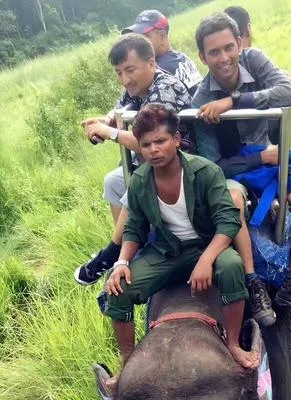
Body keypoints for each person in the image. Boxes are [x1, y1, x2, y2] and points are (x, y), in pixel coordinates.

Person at [192, 13, 291, 322]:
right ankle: (254, 283)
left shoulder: (253, 60)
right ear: (202, 57)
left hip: (268, 159)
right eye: (214, 52)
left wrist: (234, 101)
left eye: (229, 47)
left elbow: (287, 93)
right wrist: (261, 158)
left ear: (240, 42)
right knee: (233, 199)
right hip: (240, 168)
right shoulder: (200, 98)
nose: (224, 57)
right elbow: (215, 166)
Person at [104, 103, 258, 376]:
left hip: (206, 245)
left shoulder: (206, 171)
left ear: (176, 140)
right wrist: (122, 262)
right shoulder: (140, 181)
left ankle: (233, 343)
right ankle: (127, 360)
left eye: (161, 141)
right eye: (146, 144)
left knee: (232, 265)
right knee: (118, 288)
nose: (154, 150)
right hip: (166, 251)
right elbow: (135, 227)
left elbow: (228, 221)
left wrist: (207, 260)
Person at [74, 33, 192, 286]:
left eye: (130, 70)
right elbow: (120, 107)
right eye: (118, 73)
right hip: (154, 159)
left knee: (137, 184)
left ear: (151, 64)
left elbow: (152, 141)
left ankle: (114, 252)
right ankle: (133, 244)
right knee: (113, 182)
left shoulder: (164, 88)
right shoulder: (137, 87)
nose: (125, 79)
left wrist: (111, 132)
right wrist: (105, 121)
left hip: (180, 157)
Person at [223, 5, 291, 200]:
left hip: (241, 155)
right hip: (253, 155)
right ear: (247, 30)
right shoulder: (249, 60)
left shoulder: (220, 77)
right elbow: (285, 92)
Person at [122, 10, 202, 98]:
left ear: (162, 36)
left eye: (145, 37)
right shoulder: (183, 57)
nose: (138, 44)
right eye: (136, 38)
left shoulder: (155, 69)